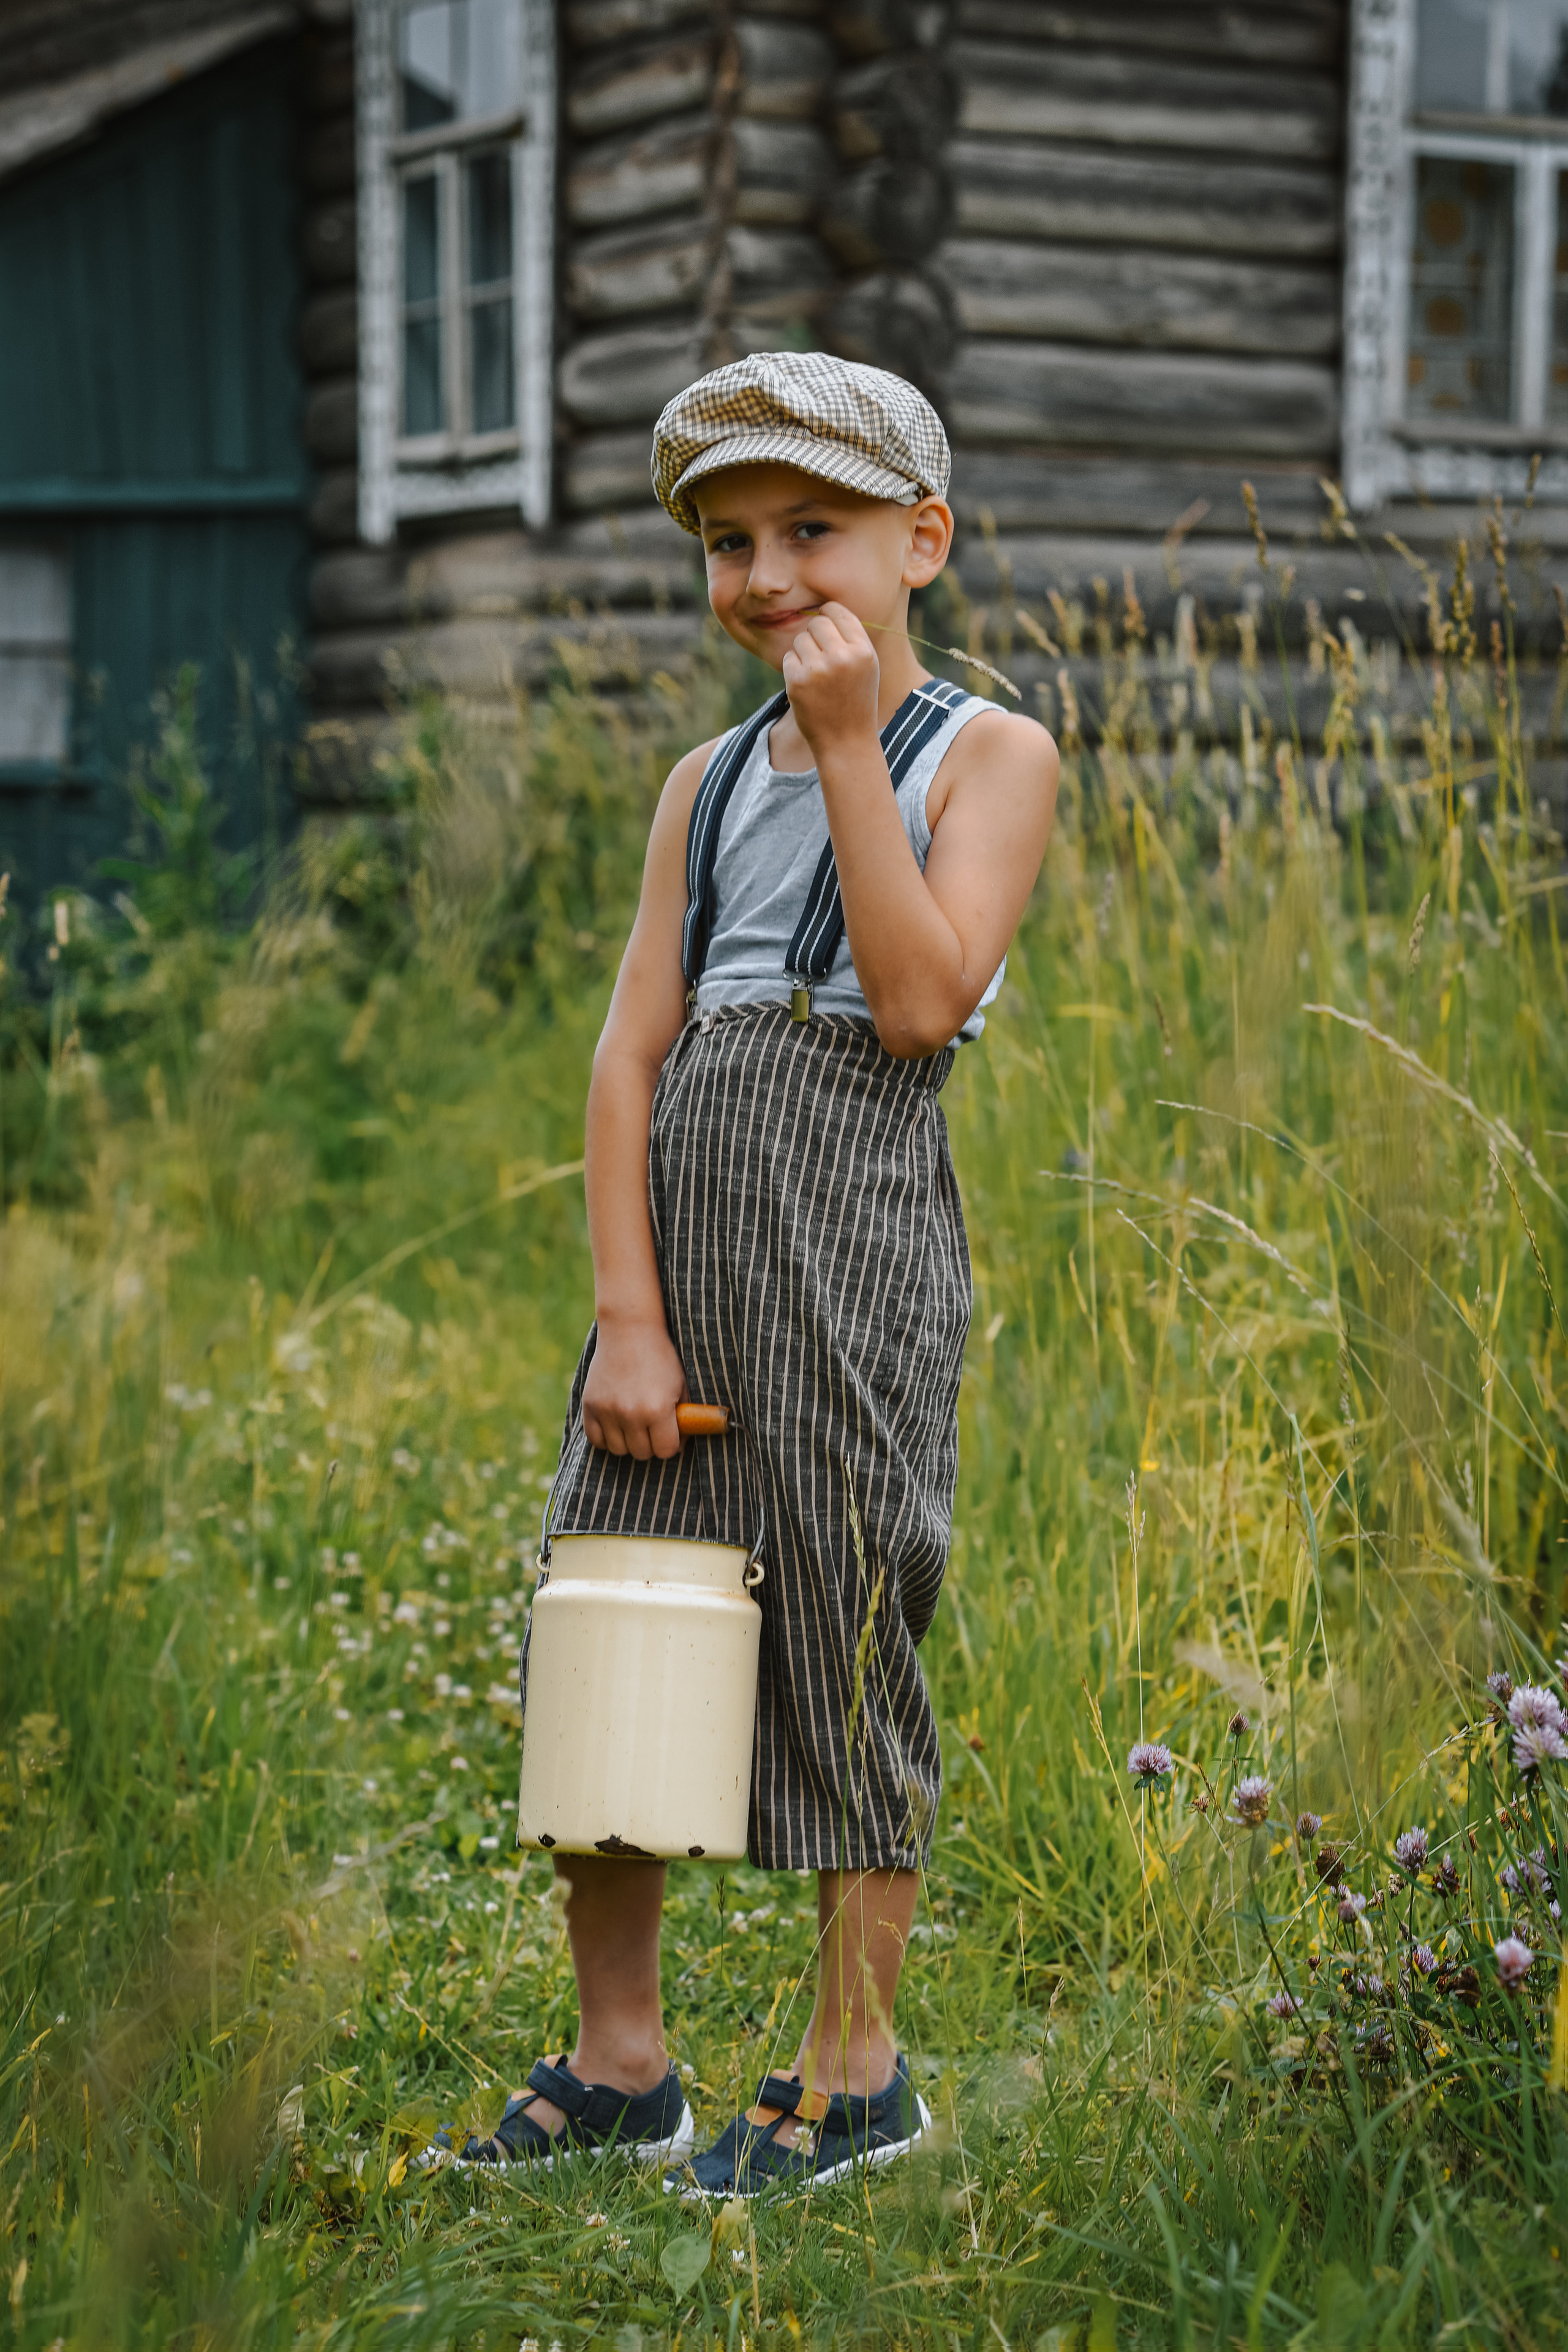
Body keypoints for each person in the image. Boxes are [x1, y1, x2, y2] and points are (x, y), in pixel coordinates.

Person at [453, 352, 1057, 2193]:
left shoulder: (986, 754)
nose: (769, 574)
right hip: (684, 1263)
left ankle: (853, 2068)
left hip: (847, 1256)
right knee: (612, 1608)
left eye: (816, 529)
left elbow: (914, 999)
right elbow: (629, 1058)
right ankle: (624, 2058)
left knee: (852, 1624)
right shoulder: (701, 785)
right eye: (731, 542)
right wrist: (627, 1317)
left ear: (920, 540)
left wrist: (859, 741)